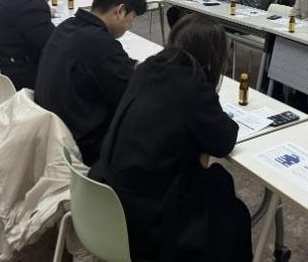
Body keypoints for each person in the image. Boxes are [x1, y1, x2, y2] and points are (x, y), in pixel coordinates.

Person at [90, 15, 251, 261]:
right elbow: (224, 140)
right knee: (229, 206)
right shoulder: (192, 83)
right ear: (212, 55)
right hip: (146, 221)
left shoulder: (148, 67)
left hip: (107, 196)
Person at [34, 0, 148, 165]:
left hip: (51, 133)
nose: (131, 26)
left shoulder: (67, 27)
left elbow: (110, 67)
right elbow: (131, 95)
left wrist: (133, 66)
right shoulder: (103, 46)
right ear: (120, 11)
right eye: (133, 17)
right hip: (83, 146)